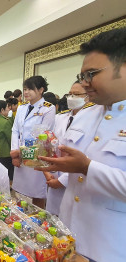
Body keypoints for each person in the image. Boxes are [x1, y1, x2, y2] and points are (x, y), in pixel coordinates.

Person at [37, 28, 126, 262]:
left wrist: (87, 168)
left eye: (92, 74)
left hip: (112, 253)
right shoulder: (85, 115)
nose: (84, 82)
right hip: (70, 238)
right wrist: (43, 158)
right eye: (82, 75)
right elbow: (68, 160)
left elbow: (83, 166)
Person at [44, 81, 94, 215]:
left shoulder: (93, 121)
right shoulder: (60, 117)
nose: (71, 98)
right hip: (53, 174)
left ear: (88, 96)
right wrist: (47, 173)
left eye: (76, 94)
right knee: (52, 218)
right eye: (69, 94)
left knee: (68, 222)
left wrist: (61, 181)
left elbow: (87, 156)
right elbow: (50, 144)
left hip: (74, 180)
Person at [10, 76, 55, 208]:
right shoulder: (21, 107)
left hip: (36, 155)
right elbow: (15, 130)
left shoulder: (48, 108)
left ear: (41, 90)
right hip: (19, 154)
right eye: (25, 89)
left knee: (37, 192)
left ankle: (38, 218)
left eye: (30, 89)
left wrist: (21, 152)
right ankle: (18, 216)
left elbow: (43, 137)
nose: (26, 92)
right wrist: (14, 152)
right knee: (19, 190)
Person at [0, 100, 14, 181]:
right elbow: (10, 139)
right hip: (6, 153)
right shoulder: (5, 122)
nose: (9, 109)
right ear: (2, 110)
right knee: (8, 174)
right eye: (7, 108)